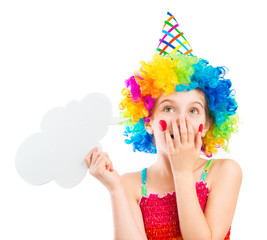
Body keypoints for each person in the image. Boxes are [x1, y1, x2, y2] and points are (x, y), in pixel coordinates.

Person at [85, 11, 242, 240]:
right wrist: (115, 188)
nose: (181, 121)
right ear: (147, 121)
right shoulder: (130, 184)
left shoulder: (224, 171)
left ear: (208, 124)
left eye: (193, 110)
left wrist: (182, 171)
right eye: (168, 108)